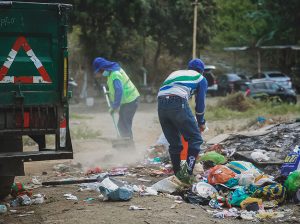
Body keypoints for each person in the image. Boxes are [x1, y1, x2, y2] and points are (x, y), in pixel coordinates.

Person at [157, 58, 208, 184]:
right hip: (178, 101)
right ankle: (187, 174)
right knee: (195, 139)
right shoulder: (201, 78)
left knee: (175, 144)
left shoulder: (175, 73)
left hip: (161, 104)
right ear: (202, 71)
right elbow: (200, 103)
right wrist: (201, 122)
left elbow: (166, 91)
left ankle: (178, 175)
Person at [92, 57, 140, 140]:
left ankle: (128, 149)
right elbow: (116, 88)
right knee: (122, 125)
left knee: (124, 125)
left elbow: (119, 90)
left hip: (131, 100)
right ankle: (125, 148)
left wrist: (114, 107)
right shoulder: (111, 73)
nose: (100, 73)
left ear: (103, 68)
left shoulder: (115, 74)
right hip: (128, 101)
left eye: (100, 71)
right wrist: (110, 93)